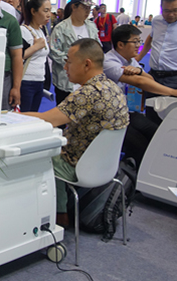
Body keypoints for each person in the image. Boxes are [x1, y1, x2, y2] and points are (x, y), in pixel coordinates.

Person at [24, 39, 129, 226]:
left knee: (37, 155)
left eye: (69, 62)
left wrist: (10, 114)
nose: (65, 67)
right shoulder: (113, 88)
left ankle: (58, 213)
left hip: (78, 165)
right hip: (104, 167)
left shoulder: (88, 93)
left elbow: (48, 119)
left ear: (87, 64)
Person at [105, 25, 177, 166]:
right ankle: (132, 174)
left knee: (157, 134)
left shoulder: (130, 60)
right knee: (141, 147)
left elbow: (149, 79)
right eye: (135, 42)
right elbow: (140, 82)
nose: (139, 45)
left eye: (139, 41)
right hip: (111, 117)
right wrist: (174, 92)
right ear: (120, 44)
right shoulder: (108, 62)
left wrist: (139, 71)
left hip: (126, 112)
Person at [49, 0, 100, 104]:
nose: (88, 11)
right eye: (84, 7)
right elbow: (54, 51)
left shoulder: (91, 27)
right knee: (63, 111)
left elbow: (98, 48)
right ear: (74, 7)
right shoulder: (61, 28)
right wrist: (74, 63)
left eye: (89, 8)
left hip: (88, 81)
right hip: (66, 81)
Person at [19, 0, 51, 113]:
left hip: (39, 81)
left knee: (33, 116)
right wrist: (35, 47)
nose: (49, 14)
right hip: (26, 82)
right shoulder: (23, 31)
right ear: (33, 11)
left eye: (50, 10)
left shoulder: (41, 30)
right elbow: (18, 57)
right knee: (24, 117)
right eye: (45, 10)